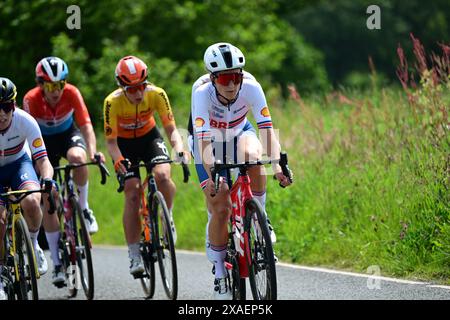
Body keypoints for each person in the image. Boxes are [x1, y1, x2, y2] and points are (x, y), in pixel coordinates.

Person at [190, 43, 293, 299]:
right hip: (208, 142)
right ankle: (220, 275)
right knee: (221, 205)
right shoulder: (201, 93)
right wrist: (213, 172)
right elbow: (202, 143)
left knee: (254, 157)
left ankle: (260, 217)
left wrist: (278, 163)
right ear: (214, 79)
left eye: (236, 77)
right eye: (225, 78)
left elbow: (267, 130)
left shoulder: (251, 86)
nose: (232, 85)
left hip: (238, 133)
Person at [22, 56, 105, 286]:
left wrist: (93, 151)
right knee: (49, 197)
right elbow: (29, 136)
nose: (56, 91)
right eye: (50, 86)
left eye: (60, 85)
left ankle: (85, 208)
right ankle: (58, 263)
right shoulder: (30, 99)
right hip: (43, 143)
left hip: (68, 135)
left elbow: (86, 124)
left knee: (77, 158)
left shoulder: (72, 93)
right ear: (40, 85)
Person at [103, 55, 188, 277]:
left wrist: (179, 148)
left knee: (162, 175)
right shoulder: (112, 102)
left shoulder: (157, 94)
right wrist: (119, 159)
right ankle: (133, 254)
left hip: (149, 138)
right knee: (132, 193)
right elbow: (110, 142)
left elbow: (170, 129)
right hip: (123, 144)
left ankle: (166, 216)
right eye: (131, 89)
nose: (138, 93)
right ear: (121, 87)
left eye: (141, 86)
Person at [0, 77, 56, 299]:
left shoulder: (25, 121)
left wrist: (47, 179)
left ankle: (33, 246)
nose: (2, 113)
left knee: (32, 200)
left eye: (6, 107)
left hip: (18, 165)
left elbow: (43, 160)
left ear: (13, 106)